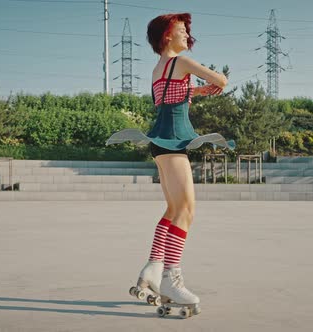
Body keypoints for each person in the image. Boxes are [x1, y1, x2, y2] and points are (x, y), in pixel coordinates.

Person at [106, 13, 235, 317]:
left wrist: (196, 91)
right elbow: (222, 80)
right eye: (181, 30)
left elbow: (170, 97)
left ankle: (153, 266)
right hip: (174, 143)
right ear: (166, 36)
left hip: (160, 142)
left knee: (173, 210)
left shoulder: (159, 68)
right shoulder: (182, 62)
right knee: (187, 210)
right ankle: (171, 279)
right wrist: (211, 84)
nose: (186, 35)